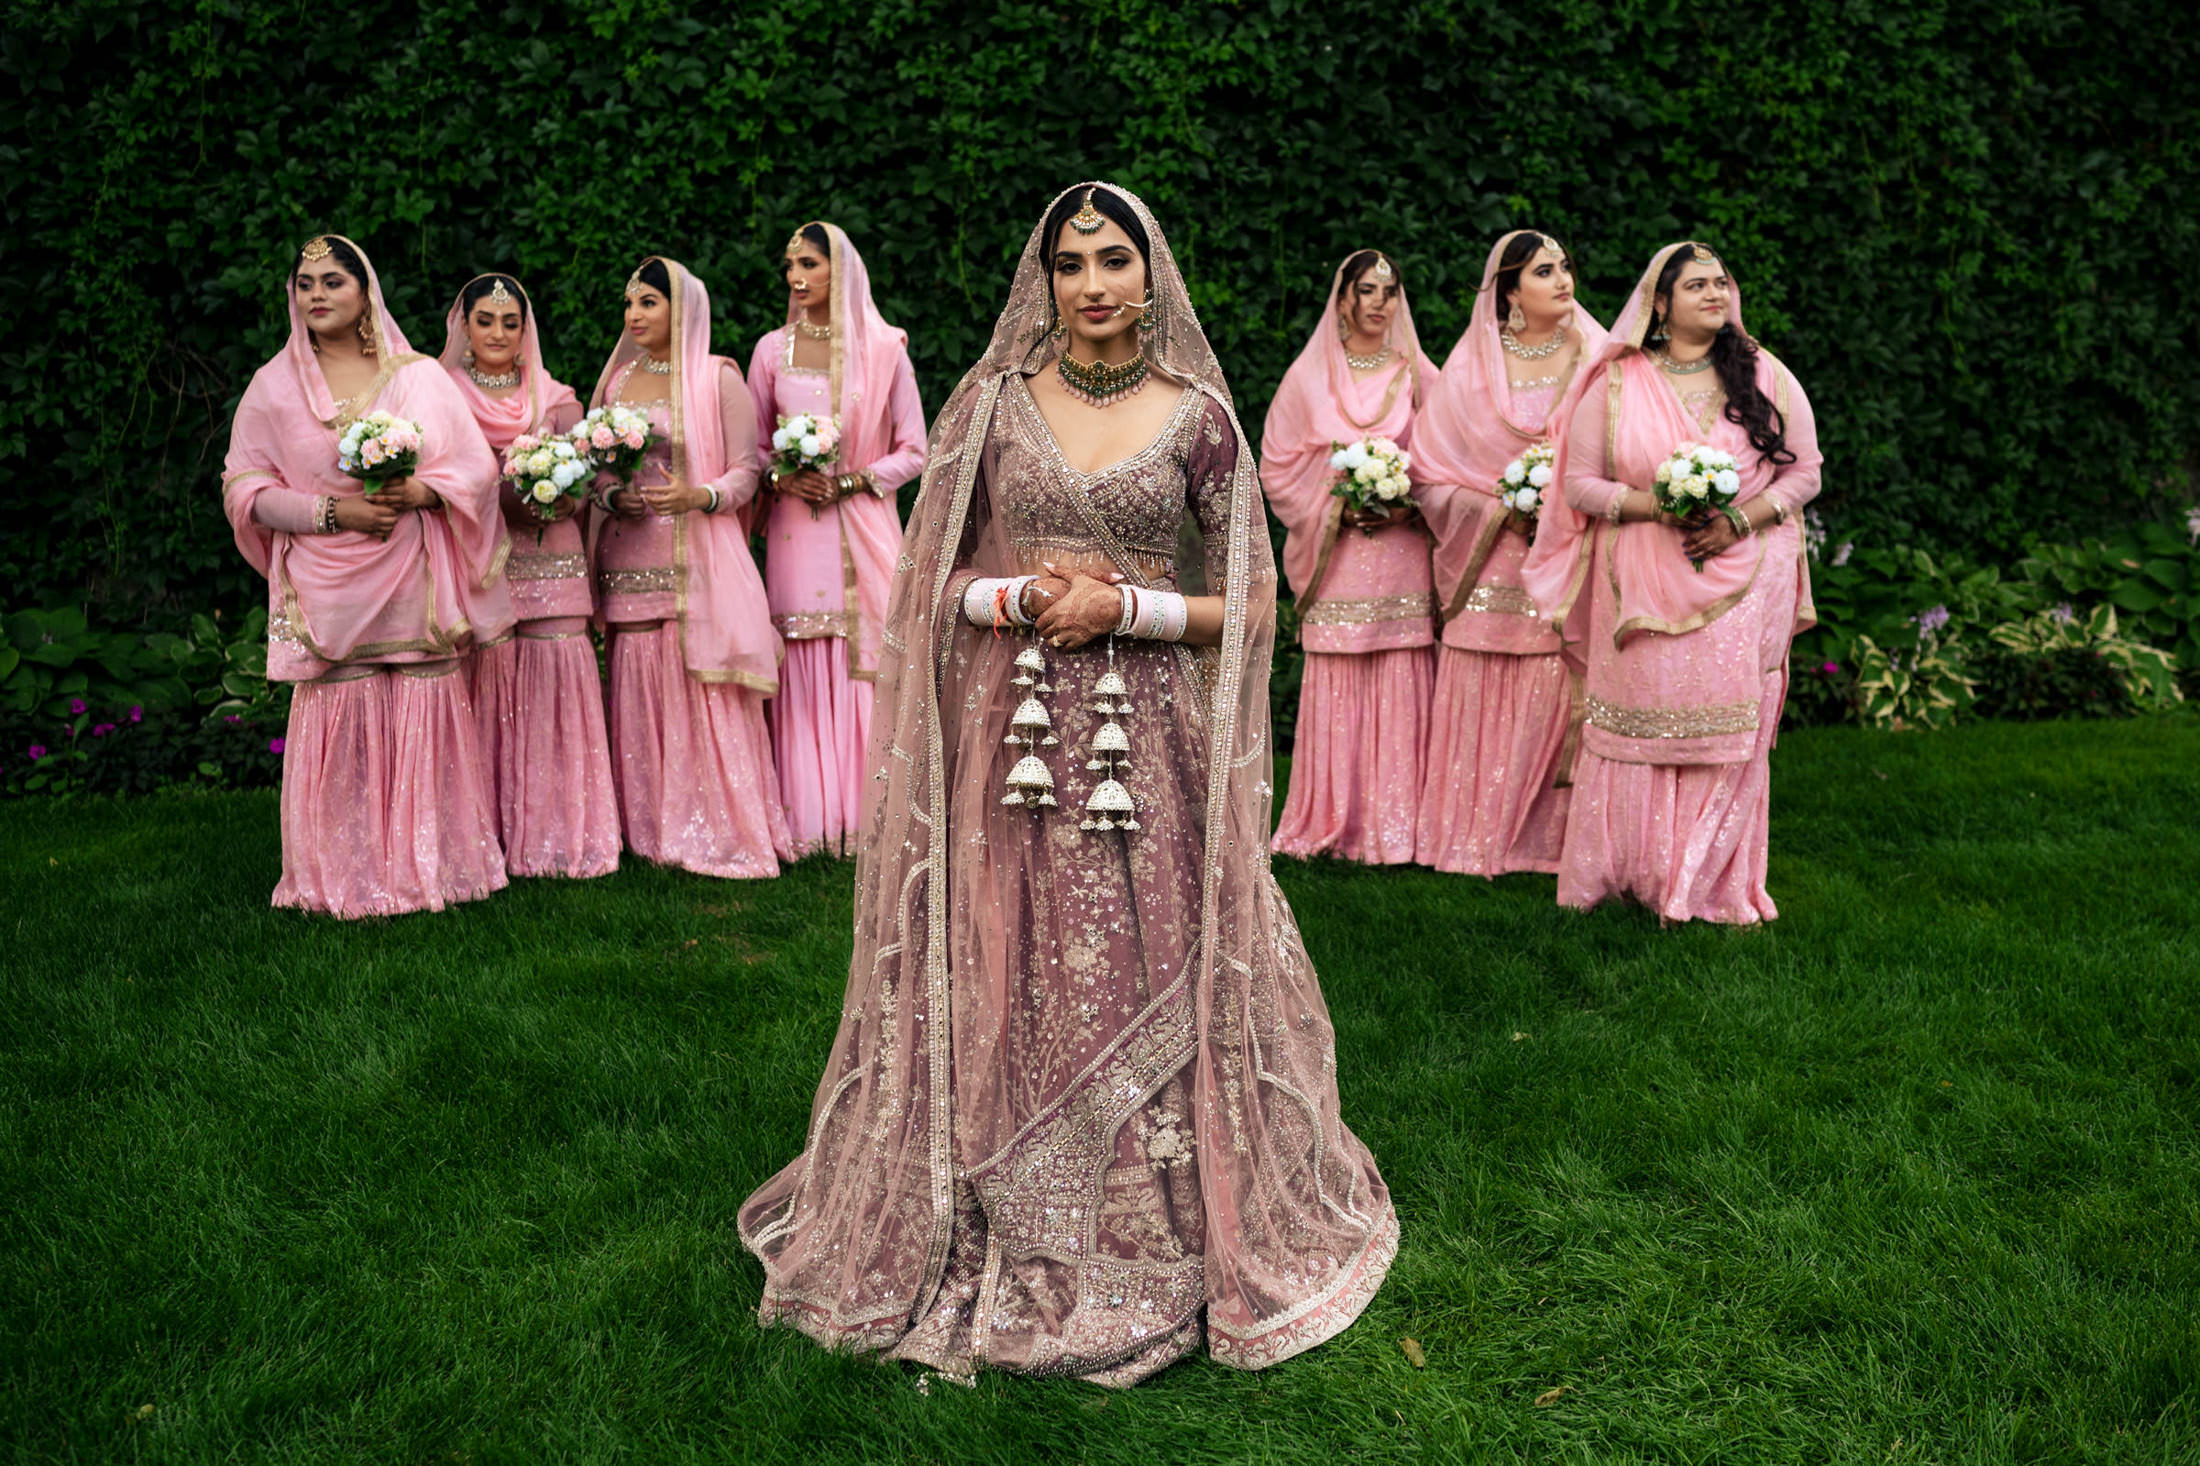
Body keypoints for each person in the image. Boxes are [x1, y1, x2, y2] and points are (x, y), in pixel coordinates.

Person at [739, 184, 1396, 1384]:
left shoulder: (1200, 418)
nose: (1092, 284)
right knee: (1007, 942)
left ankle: (1158, 1220)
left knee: (1153, 943)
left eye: (1114, 261)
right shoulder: (991, 405)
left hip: (1149, 741)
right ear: (1042, 281)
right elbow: (927, 580)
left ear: (1152, 276)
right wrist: (1017, 596)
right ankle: (993, 1192)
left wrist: (1128, 607)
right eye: (1070, 263)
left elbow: (1256, 599)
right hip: (1014, 734)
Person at [1522, 241, 1823, 923]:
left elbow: (1805, 471)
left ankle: (1710, 884)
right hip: (1640, 578)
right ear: (1660, 304)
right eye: (1697, 285)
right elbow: (1579, 484)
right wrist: (1656, 508)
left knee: (1724, 729)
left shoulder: (1765, 374)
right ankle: (1634, 877)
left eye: (1720, 283)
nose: (1715, 293)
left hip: (1744, 576)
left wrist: (1738, 521)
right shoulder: (1617, 381)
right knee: (1641, 724)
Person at [222, 234, 511, 916]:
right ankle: (342, 879)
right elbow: (245, 489)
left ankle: (436, 870)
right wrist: (335, 513)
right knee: (342, 709)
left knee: (421, 702)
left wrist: (423, 491)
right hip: (326, 579)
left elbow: (476, 468)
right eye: (305, 284)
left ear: (364, 292)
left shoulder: (418, 376)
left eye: (332, 282)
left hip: (410, 568)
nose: (316, 295)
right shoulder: (274, 386)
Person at [590, 256, 794, 878]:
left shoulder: (716, 377)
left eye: (648, 302)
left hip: (698, 561)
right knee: (637, 683)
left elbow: (746, 471)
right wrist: (612, 496)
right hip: (628, 555)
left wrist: (698, 496)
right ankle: (647, 828)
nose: (635, 314)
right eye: (629, 303)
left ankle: (716, 827)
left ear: (682, 308)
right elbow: (597, 470)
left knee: (699, 688)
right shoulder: (618, 382)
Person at [1411, 232, 1607, 876]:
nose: (1563, 279)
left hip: (1570, 546)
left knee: (1555, 672)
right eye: (1544, 271)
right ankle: (1470, 834)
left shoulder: (1595, 356)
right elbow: (1429, 471)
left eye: (1565, 266)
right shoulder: (1473, 365)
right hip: (1491, 551)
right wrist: (1503, 507)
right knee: (1485, 666)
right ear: (1511, 293)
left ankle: (1552, 839)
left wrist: (1559, 501)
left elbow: (1618, 444)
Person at [746, 222, 926, 856]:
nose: (796, 276)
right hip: (795, 529)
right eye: (790, 264)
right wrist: (783, 476)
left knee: (864, 657)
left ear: (840, 270)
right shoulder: (771, 350)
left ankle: (868, 817)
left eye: (810, 264)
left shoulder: (884, 348)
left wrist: (848, 482)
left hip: (862, 526)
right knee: (799, 648)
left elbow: (915, 450)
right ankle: (806, 818)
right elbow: (753, 448)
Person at [441, 273, 619, 880]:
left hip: (555, 558)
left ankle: (558, 835)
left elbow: (586, 475)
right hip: (482, 560)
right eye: (485, 320)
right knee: (487, 681)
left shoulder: (555, 398)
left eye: (510, 322)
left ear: (525, 330)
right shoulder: (441, 395)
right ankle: (485, 835)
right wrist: (504, 498)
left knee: (555, 680)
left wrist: (566, 497)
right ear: (463, 326)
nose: (497, 332)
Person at [1263, 251, 1439, 864]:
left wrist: (1404, 501)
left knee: (1399, 670)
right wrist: (1337, 498)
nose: (1379, 303)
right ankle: (1331, 819)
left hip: (1400, 550)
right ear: (1342, 299)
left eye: (1389, 292)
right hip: (1336, 554)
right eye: (1367, 290)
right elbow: (1277, 464)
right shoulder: (1309, 376)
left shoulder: (1417, 374)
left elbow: (1448, 456)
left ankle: (1402, 827)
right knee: (1341, 670)